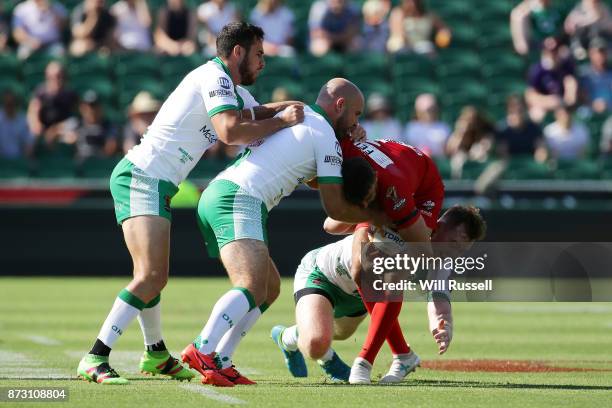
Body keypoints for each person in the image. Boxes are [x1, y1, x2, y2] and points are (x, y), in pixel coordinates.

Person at [77, 22, 305, 385]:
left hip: (155, 182)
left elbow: (258, 112)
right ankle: (95, 356)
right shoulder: (214, 78)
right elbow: (230, 132)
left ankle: (155, 354)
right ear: (238, 53)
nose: (263, 62)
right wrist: (281, 120)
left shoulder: (227, 86)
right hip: (141, 177)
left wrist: (296, 109)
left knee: (153, 277)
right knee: (151, 276)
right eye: (259, 54)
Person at [181, 78, 386, 387]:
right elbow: (335, 207)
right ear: (340, 106)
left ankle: (221, 360)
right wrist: (383, 218)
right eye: (356, 114)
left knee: (268, 288)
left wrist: (348, 144)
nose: (357, 122)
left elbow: (311, 177)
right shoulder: (322, 134)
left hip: (225, 193)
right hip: (239, 198)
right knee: (250, 285)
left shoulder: (306, 122)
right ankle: (202, 348)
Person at [271, 200, 486, 383]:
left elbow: (438, 296)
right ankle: (332, 359)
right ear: (438, 226)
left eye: (461, 250)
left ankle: (287, 337)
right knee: (317, 344)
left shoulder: (442, 261)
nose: (453, 253)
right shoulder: (403, 220)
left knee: (337, 334)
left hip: (359, 299)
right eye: (453, 243)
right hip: (323, 275)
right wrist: (369, 213)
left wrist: (443, 323)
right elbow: (330, 225)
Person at [327, 138, 446, 383]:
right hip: (381, 195)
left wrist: (388, 222)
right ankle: (404, 355)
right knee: (360, 269)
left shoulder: (394, 189)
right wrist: (370, 215)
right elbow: (330, 225)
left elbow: (423, 247)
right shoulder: (342, 163)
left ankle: (364, 361)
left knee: (392, 272)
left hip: (420, 191)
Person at [27, 61, 78, 153]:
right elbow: (33, 115)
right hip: (43, 131)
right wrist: (40, 131)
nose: (55, 80)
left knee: (72, 138)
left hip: (62, 130)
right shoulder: (40, 93)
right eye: (51, 77)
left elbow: (74, 119)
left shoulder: (70, 95)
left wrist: (54, 131)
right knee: (30, 140)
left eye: (59, 76)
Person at [525, 36, 578, 123]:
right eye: (548, 52)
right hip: (545, 103)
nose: (552, 55)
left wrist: (566, 101)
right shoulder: (537, 70)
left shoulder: (566, 65)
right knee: (537, 114)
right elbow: (530, 96)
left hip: (563, 104)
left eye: (554, 51)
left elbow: (571, 85)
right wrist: (549, 101)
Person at [64, 90, 118, 159]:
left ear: (101, 108)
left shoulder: (109, 126)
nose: (91, 110)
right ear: (81, 108)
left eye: (94, 106)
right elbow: (56, 132)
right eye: (88, 106)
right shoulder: (75, 123)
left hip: (100, 164)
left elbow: (110, 149)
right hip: (79, 165)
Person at [495, 95, 547, 161]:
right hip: (510, 166)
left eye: (520, 110)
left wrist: (539, 161)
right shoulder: (502, 129)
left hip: (530, 165)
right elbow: (502, 155)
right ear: (508, 111)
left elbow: (541, 150)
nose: (517, 114)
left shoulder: (534, 127)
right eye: (513, 111)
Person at [402, 93, 451, 158]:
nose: (430, 113)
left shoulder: (444, 127)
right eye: (427, 110)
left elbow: (448, 151)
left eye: (432, 109)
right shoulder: (411, 127)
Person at [579, 37, 612, 113]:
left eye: (602, 52)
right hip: (589, 113)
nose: (599, 56)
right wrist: (592, 104)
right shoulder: (583, 74)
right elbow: (580, 97)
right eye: (596, 52)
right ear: (590, 54)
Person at [0, 89, 34, 159]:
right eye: (7, 104)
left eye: (11, 104)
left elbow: (29, 143)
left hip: (19, 162)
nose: (9, 107)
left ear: (16, 104)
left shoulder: (23, 120)